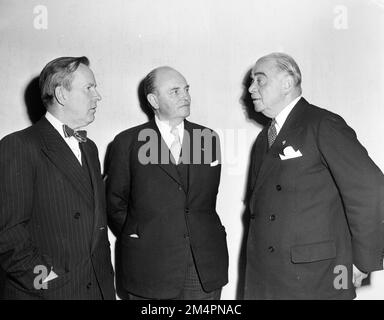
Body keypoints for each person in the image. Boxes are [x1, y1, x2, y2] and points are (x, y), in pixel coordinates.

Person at [245, 52, 384, 299]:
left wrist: (362, 261)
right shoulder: (263, 139)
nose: (251, 88)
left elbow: (370, 189)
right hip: (268, 278)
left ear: (287, 83)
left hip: (316, 277)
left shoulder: (323, 123)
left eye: (260, 80)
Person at [105, 66, 228, 300]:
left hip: (202, 268)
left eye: (186, 89)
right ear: (154, 100)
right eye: (175, 91)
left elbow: (205, 201)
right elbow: (114, 203)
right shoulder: (127, 142)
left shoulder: (207, 138)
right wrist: (144, 236)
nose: (186, 96)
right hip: (149, 268)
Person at [0, 56, 115, 299]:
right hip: (51, 292)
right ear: (62, 95)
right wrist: (47, 281)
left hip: (96, 289)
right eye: (89, 88)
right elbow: (8, 232)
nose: (98, 96)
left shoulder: (89, 147)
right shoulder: (19, 145)